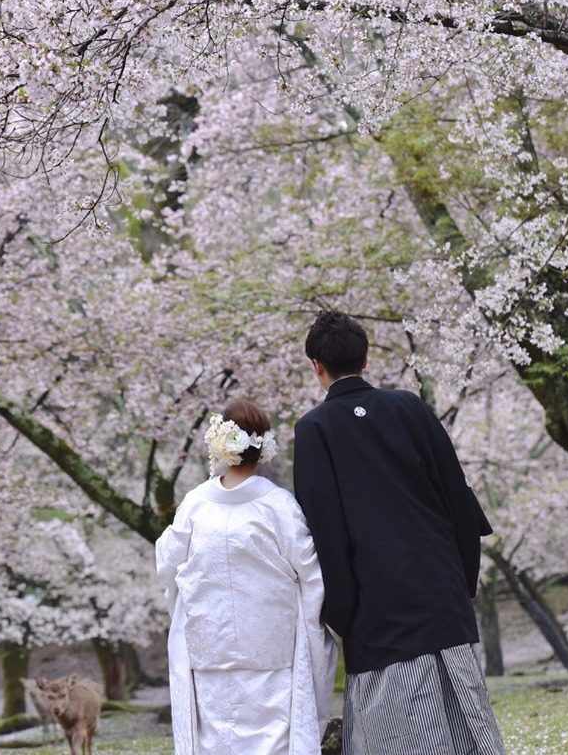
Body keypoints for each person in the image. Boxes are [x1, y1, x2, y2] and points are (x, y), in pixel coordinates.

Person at [293, 309, 505, 755]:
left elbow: (325, 531)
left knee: (394, 736)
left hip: (376, 611)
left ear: (317, 366)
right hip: (441, 595)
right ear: (365, 360)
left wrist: (344, 615)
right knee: (467, 731)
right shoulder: (409, 406)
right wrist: (460, 581)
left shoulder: (315, 430)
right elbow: (458, 497)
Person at [155, 399, 337, 755]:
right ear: (262, 447)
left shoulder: (195, 505)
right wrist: (315, 627)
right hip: (272, 647)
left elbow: (168, 563)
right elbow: (312, 575)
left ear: (219, 445)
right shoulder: (280, 506)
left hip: (209, 647)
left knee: (215, 741)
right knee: (274, 740)